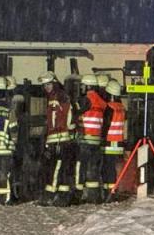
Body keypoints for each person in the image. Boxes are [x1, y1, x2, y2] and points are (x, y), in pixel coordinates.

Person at [37, 71, 76, 206]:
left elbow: (68, 114)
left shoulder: (60, 96)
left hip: (60, 139)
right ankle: (57, 196)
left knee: (57, 168)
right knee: (56, 168)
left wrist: (65, 130)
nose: (46, 87)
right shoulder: (54, 97)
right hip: (55, 139)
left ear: (54, 83)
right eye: (44, 85)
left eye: (48, 84)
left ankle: (53, 196)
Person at [75, 74, 108, 204]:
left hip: (85, 138)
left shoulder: (85, 100)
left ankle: (77, 194)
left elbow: (76, 114)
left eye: (83, 85)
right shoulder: (101, 102)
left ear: (88, 86)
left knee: (81, 166)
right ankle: (93, 196)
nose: (82, 87)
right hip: (96, 139)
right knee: (93, 168)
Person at [101, 79, 128, 201]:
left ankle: (109, 192)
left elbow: (105, 126)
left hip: (109, 142)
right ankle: (113, 190)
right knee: (113, 168)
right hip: (119, 143)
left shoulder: (109, 108)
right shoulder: (121, 108)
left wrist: (101, 140)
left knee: (108, 168)